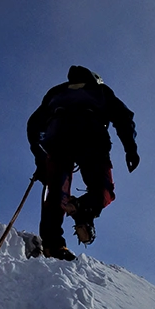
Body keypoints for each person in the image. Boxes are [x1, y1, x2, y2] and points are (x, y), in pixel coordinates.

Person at [27, 65, 140, 261]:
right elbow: (123, 117)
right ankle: (82, 207)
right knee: (103, 190)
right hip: (92, 138)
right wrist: (130, 148)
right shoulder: (101, 91)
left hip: (57, 140)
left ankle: (53, 245)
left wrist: (40, 157)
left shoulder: (56, 92)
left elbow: (33, 124)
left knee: (56, 192)